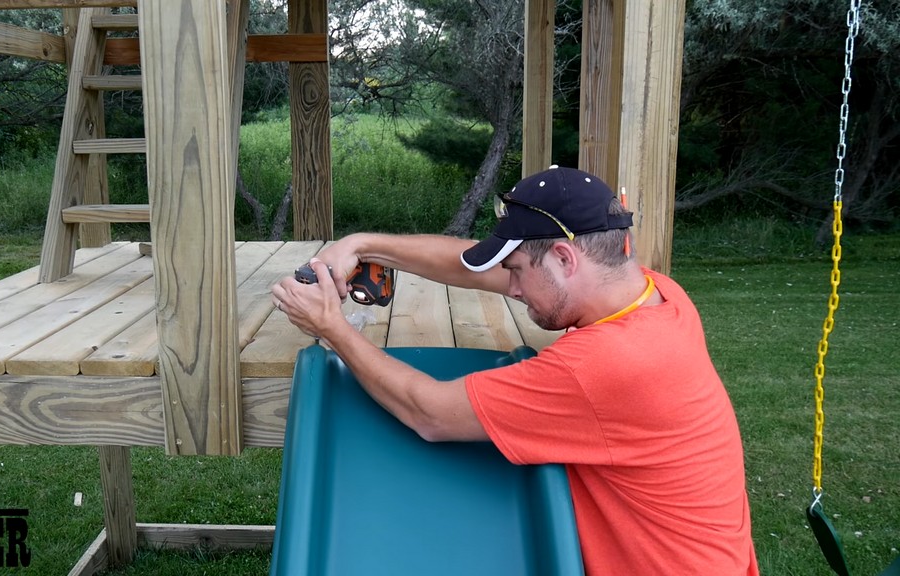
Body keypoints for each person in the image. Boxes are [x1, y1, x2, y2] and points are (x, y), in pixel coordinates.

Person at [271, 165, 759, 575]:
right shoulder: (653, 293)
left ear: (565, 258)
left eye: (519, 270)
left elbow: (432, 414)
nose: (514, 288)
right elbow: (479, 268)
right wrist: (364, 244)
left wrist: (332, 328)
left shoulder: (603, 365)